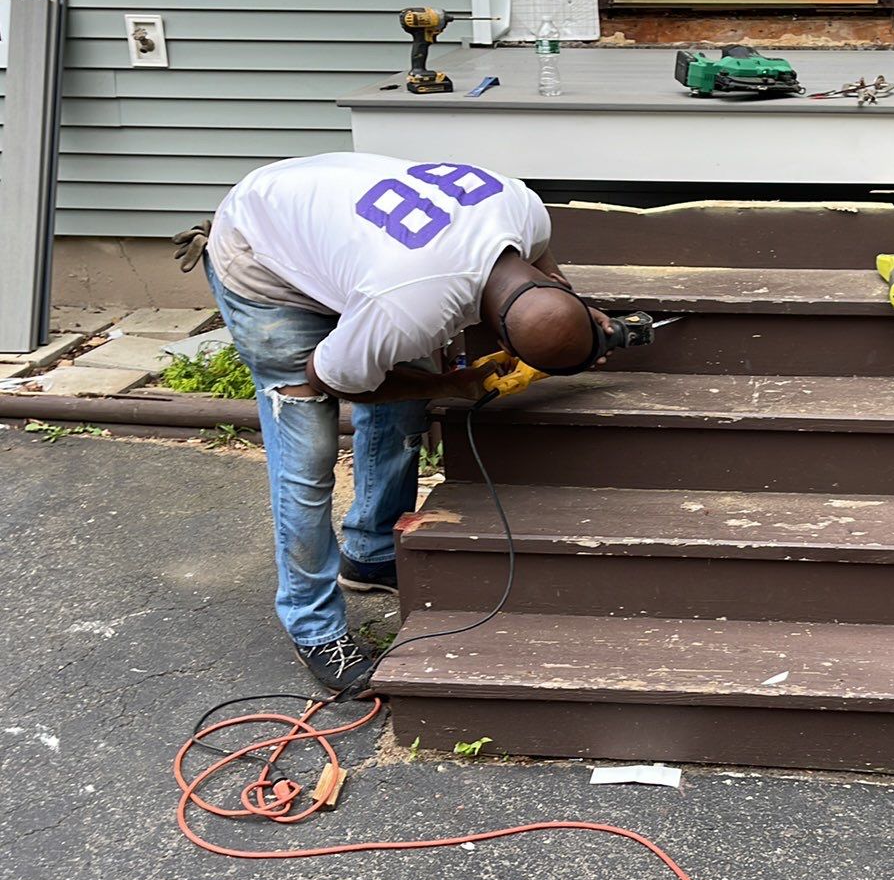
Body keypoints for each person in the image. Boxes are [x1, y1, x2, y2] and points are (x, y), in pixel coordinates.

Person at [171, 152, 613, 691]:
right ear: (499, 334)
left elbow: (545, 269)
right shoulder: (407, 306)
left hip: (344, 237)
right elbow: (327, 377)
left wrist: (578, 316)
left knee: (400, 396)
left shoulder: (524, 209)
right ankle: (312, 626)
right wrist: (445, 386)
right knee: (306, 450)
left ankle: (372, 551)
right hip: (263, 254)